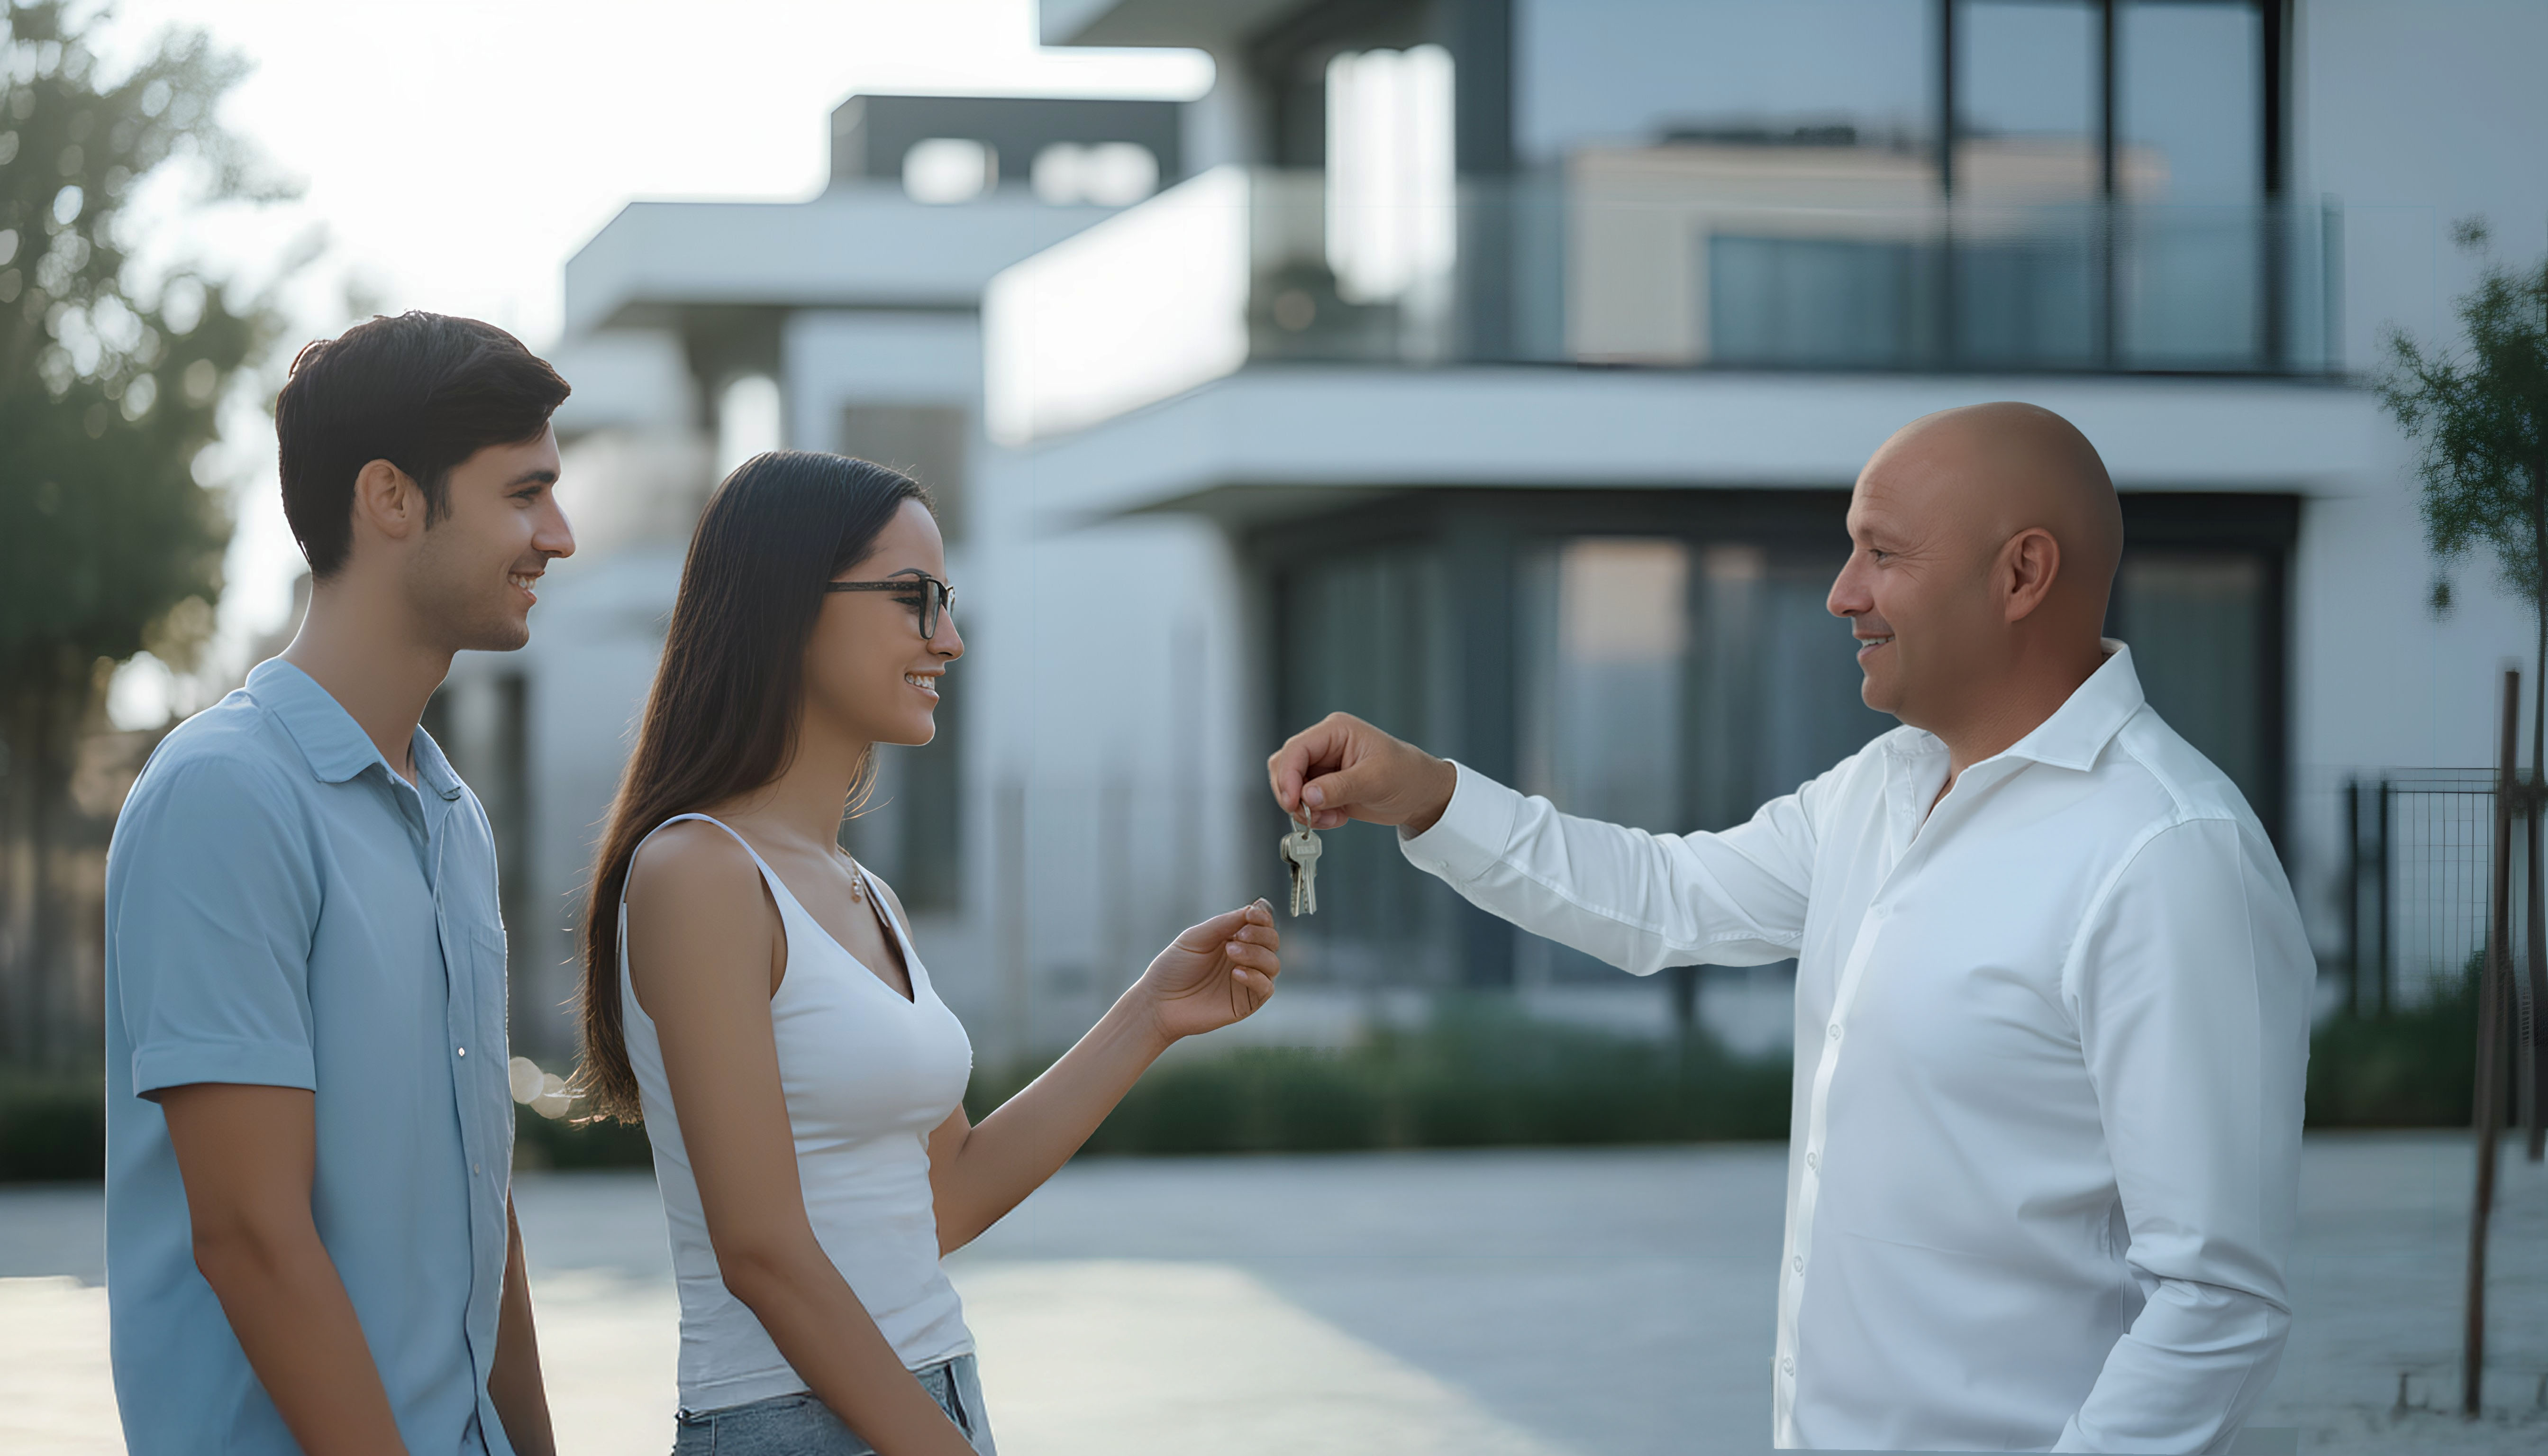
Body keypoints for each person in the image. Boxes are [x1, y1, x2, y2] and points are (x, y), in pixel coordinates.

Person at [1268, 402, 2312, 1453]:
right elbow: (1662, 898)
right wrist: (1428, 794)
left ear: (2022, 576)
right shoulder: (1881, 790)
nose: (1840, 594)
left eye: (1882, 555)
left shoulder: (2170, 854)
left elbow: (2216, 1302)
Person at [572, 450, 1283, 1456]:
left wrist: (1151, 1015)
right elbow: (762, 1251)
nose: (948, 640)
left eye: (944, 603)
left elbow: (943, 1195)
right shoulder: (699, 873)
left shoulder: (866, 894)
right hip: (792, 1422)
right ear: (789, 604)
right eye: (914, 600)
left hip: (932, 1391)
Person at [104, 312, 574, 1455]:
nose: (557, 536)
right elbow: (251, 1239)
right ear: (390, 497)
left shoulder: (452, 819)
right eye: (524, 494)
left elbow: (481, 1207)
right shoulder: (227, 796)